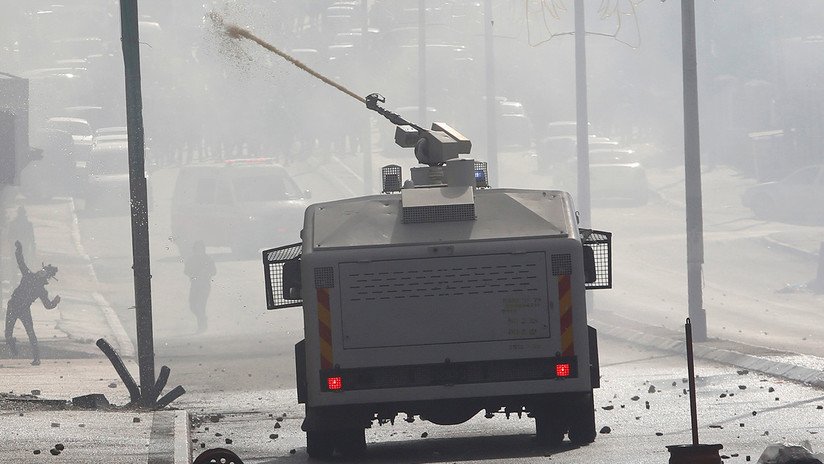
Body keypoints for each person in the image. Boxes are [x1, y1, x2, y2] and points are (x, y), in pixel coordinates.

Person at [4, 240, 60, 365]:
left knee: (31, 333)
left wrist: (55, 302)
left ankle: (37, 358)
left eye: (45, 272)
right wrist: (19, 249)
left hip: (24, 310)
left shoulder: (41, 290)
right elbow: (20, 262)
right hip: (13, 306)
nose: (41, 271)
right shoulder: (28, 275)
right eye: (43, 269)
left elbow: (48, 305)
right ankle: (12, 345)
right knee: (8, 334)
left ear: (46, 276)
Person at [184, 241, 216, 333]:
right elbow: (186, 271)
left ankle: (202, 326)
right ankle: (203, 319)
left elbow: (214, 271)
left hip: (205, 286)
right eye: (197, 249)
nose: (199, 251)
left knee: (200, 306)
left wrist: (206, 273)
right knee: (192, 305)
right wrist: (193, 274)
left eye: (200, 249)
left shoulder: (208, 259)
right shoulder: (191, 260)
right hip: (194, 285)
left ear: (203, 249)